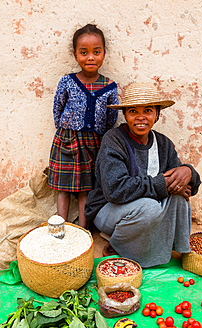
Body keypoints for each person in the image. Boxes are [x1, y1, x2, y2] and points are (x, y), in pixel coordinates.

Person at [85, 82, 201, 267]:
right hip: (109, 209)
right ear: (125, 115)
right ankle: (116, 246)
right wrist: (163, 184)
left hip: (145, 209)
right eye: (133, 112)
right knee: (150, 208)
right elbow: (115, 190)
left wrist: (188, 172)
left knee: (179, 199)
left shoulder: (163, 144)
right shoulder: (114, 140)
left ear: (157, 114)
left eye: (147, 111)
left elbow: (187, 186)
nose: (141, 118)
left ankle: (177, 249)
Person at [48, 24, 118, 229]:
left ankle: (82, 229)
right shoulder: (67, 82)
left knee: (85, 187)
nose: (90, 57)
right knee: (63, 187)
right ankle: (60, 227)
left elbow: (112, 116)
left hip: (92, 143)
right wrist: (63, 130)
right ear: (75, 54)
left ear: (104, 53)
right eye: (84, 52)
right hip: (67, 139)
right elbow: (57, 107)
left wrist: (100, 137)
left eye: (97, 52)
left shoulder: (109, 86)